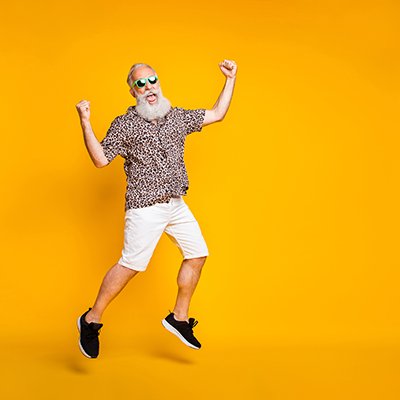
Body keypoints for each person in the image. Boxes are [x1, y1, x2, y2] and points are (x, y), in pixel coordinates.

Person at [75, 59, 237, 358]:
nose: (148, 87)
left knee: (197, 254)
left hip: (175, 203)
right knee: (132, 265)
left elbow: (217, 114)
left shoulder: (176, 117)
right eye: (140, 83)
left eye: (152, 80)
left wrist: (230, 79)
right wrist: (85, 121)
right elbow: (100, 159)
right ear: (132, 91)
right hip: (144, 206)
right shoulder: (125, 125)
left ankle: (179, 317)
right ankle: (90, 319)